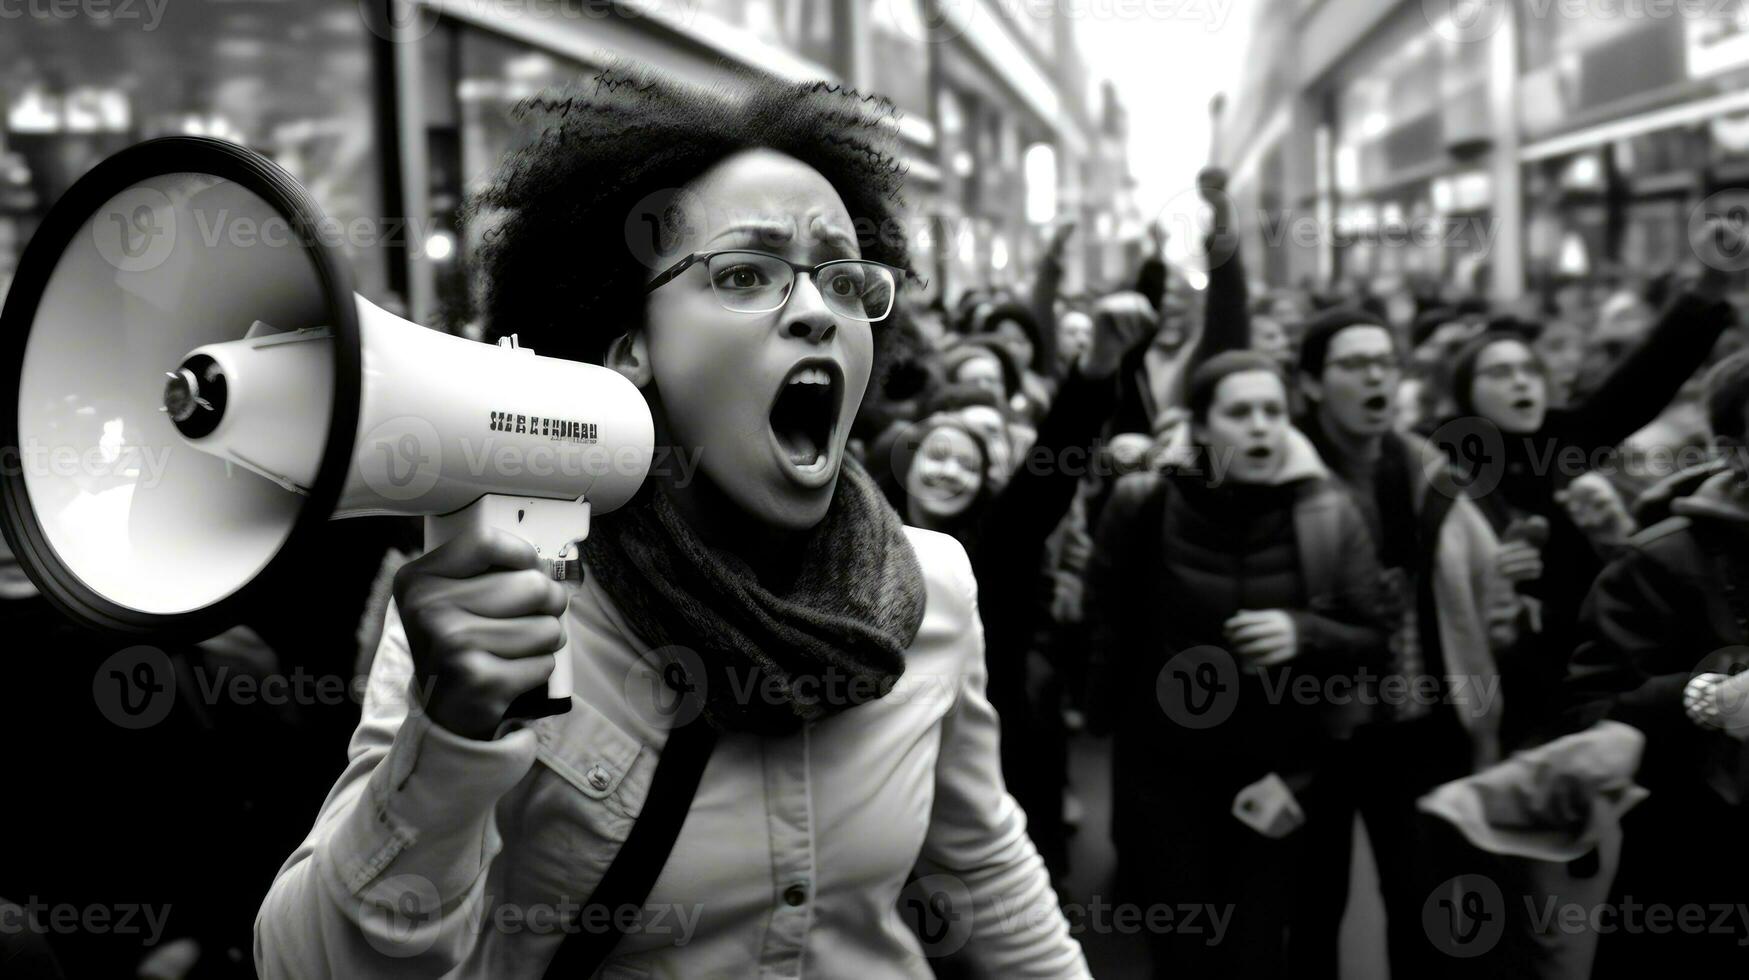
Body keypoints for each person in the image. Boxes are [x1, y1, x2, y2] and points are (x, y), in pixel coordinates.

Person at [255, 67, 1088, 978]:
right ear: (629, 349)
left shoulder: (933, 593)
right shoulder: (512, 600)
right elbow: (310, 965)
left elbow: (985, 873)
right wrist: (450, 737)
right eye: (743, 273)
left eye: (844, 280)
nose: (815, 309)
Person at [1086, 350, 1389, 979]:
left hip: (1276, 772)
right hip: (1165, 773)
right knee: (1181, 953)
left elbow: (1374, 635)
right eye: (1240, 412)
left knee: (1256, 950)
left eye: (1273, 412)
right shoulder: (1144, 502)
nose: (1260, 427)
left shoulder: (1328, 511)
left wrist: (1302, 631)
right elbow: (1105, 621)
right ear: (1199, 427)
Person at [1432, 238, 1741, 748]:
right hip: (1483, 675)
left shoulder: (1566, 439)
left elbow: (1650, 374)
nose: (1520, 382)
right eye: (1499, 373)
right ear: (1465, 394)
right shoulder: (1440, 460)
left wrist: (1709, 286)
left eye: (1529, 370)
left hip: (1577, 663)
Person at [1290, 307, 1520, 978]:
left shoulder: (1426, 470)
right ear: (1308, 385)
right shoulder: (1281, 478)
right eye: (1352, 365)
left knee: (1423, 907)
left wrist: (1510, 599)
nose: (1374, 378)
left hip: (1416, 728)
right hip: (1309, 733)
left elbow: (1485, 585)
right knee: (1307, 913)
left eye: (1383, 363)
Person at [1562, 348, 1749, 976]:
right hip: (1697, 872)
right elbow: (1594, 716)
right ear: (1735, 450)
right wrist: (1709, 701)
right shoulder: (1660, 563)